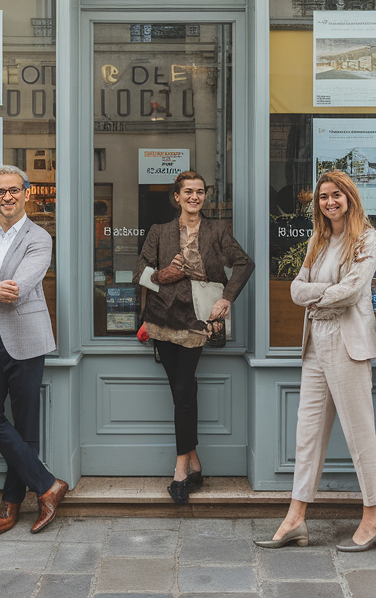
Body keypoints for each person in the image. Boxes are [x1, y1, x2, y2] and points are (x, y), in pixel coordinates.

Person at [256, 171, 376, 552]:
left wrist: (317, 295)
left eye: (337, 195)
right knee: (307, 434)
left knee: (359, 433)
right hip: (315, 342)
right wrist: (320, 294)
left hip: (348, 343)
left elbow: (351, 293)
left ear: (350, 197)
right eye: (323, 196)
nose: (330, 202)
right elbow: (296, 289)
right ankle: (296, 518)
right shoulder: (317, 238)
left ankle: (373, 517)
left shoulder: (365, 238)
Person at [133, 171, 253, 504]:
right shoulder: (159, 232)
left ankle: (181, 469)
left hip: (197, 320)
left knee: (183, 388)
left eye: (200, 192)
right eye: (188, 192)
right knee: (182, 391)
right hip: (160, 320)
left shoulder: (217, 230)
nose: (194, 197)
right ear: (177, 196)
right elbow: (138, 271)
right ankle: (196, 462)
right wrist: (162, 275)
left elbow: (244, 263)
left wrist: (227, 296)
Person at [0, 165, 68, 535]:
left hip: (25, 335)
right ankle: (47, 485)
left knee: (25, 426)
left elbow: (16, 287)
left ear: (26, 193)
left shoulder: (40, 237)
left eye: (13, 190)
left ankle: (10, 503)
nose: (6, 196)